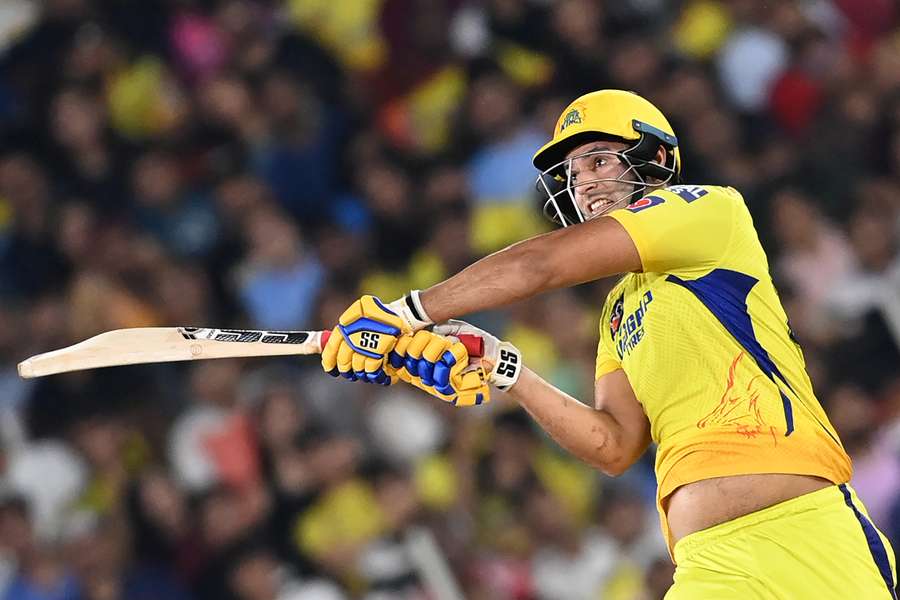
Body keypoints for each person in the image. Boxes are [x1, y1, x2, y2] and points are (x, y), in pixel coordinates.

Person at [321, 89, 896, 598]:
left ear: (657, 159)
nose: (585, 182)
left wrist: (405, 313)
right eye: (572, 173)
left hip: (808, 530)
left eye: (599, 160)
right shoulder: (618, 311)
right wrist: (505, 369)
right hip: (710, 566)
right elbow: (614, 445)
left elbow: (540, 264)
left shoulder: (710, 211)